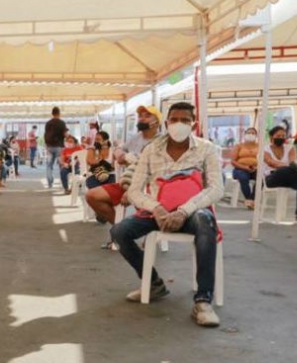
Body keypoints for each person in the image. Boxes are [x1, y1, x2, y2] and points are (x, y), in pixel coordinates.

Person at [110, 102, 224, 327]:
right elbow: (134, 190)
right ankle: (153, 284)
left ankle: (203, 301)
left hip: (193, 210)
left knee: (205, 223)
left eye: (185, 120)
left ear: (194, 124)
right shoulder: (151, 150)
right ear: (166, 122)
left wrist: (184, 211)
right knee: (119, 231)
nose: (179, 124)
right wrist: (157, 208)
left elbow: (216, 188)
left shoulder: (206, 148)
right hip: (158, 210)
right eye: (174, 120)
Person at [87, 105, 163, 238]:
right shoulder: (136, 138)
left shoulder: (163, 141)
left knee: (147, 205)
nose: (142, 119)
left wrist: (132, 191)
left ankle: (145, 236)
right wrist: (120, 153)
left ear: (157, 121)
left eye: (147, 116)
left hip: (151, 187)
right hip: (127, 181)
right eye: (140, 116)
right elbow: (119, 149)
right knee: (92, 196)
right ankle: (122, 230)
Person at [229, 127, 260, 209]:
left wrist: (256, 167)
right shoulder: (239, 146)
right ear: (245, 135)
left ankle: (251, 199)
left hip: (255, 169)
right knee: (243, 177)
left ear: (256, 136)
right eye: (249, 133)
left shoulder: (259, 146)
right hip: (240, 169)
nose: (251, 135)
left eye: (253, 133)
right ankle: (249, 199)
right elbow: (233, 161)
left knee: (262, 179)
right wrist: (245, 167)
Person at [44, 106, 68, 189]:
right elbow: (65, 134)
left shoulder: (48, 123)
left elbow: (45, 135)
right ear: (59, 113)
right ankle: (64, 183)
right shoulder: (62, 123)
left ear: (52, 114)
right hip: (59, 147)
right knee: (61, 165)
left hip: (49, 147)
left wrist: (46, 146)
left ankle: (50, 182)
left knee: (49, 165)